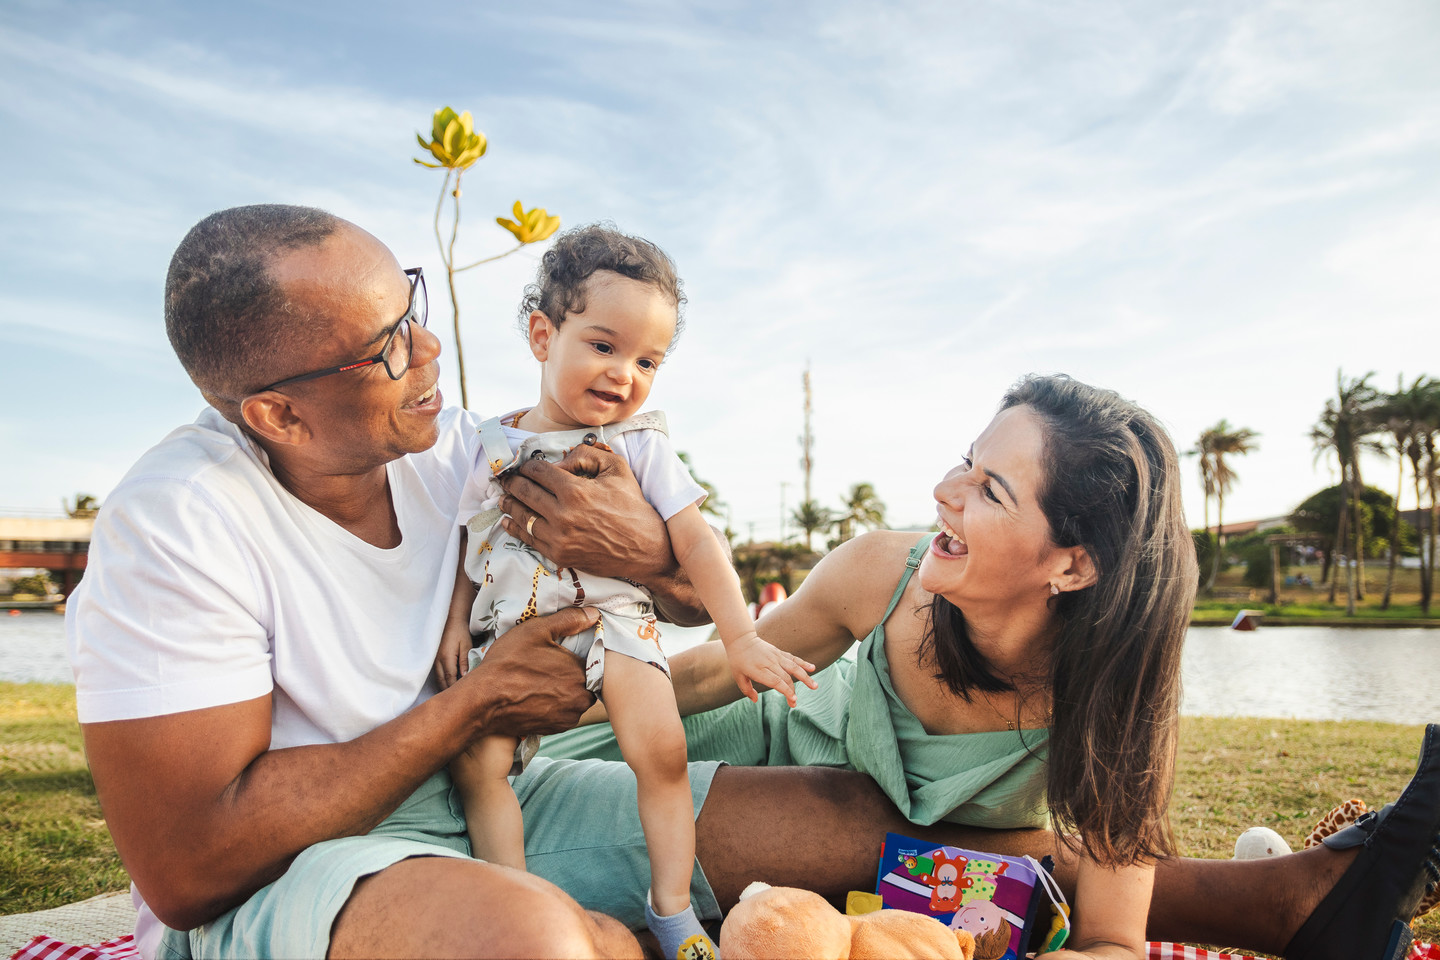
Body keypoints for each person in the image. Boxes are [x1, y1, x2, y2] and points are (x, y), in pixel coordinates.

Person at [67, 203, 1437, 960]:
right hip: (316, 864)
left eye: (415, 307)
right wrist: (477, 701)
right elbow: (188, 871)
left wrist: (659, 585)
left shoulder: (461, 453)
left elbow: (657, 556)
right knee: (537, 948)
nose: (432, 355)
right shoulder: (175, 527)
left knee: (863, 827)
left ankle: (1275, 907)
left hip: (527, 780)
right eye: (385, 348)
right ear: (280, 416)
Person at [538, 374, 1440, 959]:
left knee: (901, 833)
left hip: (867, 854)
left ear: (1074, 565)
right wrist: (550, 714)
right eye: (967, 463)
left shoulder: (1111, 697)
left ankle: (1307, 900)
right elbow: (710, 674)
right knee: (855, 814)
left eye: (991, 488)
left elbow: (1114, 938)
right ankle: (1302, 900)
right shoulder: (880, 571)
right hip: (744, 749)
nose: (944, 490)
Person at [435, 223, 814, 958]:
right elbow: (467, 543)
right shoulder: (493, 445)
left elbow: (697, 541)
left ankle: (673, 911)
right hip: (512, 632)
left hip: (615, 621)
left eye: (648, 360)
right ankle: (520, 902)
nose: (624, 374)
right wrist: (456, 624)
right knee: (479, 765)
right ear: (544, 335)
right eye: (604, 347)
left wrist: (740, 637)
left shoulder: (640, 444)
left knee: (661, 751)